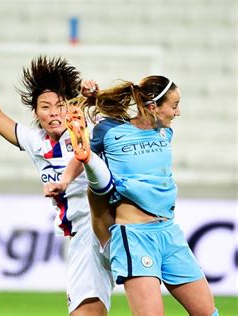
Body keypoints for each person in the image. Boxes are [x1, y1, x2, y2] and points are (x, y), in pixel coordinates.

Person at [46, 76, 218, 315]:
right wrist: (64, 181)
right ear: (152, 107)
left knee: (208, 313)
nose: (177, 113)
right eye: (174, 105)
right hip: (134, 237)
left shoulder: (165, 133)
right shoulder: (109, 130)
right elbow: (82, 154)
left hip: (169, 232)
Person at [0, 35, 113, 316]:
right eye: (45, 107)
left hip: (99, 226)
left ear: (70, 106)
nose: (53, 113)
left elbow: (110, 118)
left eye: (60, 105)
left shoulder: (87, 128)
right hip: (83, 235)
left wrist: (95, 97)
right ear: (36, 112)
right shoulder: (36, 142)